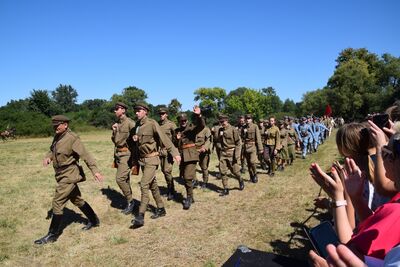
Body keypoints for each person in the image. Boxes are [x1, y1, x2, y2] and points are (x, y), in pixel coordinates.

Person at [34, 115, 104, 245]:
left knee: (57, 202)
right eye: (54, 126)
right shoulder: (58, 136)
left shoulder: (72, 138)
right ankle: (94, 221)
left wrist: (95, 171)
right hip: (60, 174)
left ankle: (52, 235)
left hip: (69, 174)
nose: (55, 127)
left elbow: (86, 156)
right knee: (76, 199)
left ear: (65, 125)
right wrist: (48, 157)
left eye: (57, 125)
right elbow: (52, 150)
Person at [130, 103, 181, 228]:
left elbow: (165, 139)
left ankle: (140, 216)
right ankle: (161, 208)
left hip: (152, 159)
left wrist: (175, 153)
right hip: (143, 161)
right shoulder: (137, 126)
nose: (136, 113)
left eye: (139, 110)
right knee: (153, 186)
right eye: (135, 111)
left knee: (144, 184)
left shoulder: (152, 123)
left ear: (145, 111)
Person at [174, 106, 205, 210]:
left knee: (188, 177)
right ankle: (191, 196)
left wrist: (198, 115)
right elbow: (175, 144)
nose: (183, 122)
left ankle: (188, 198)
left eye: (184, 120)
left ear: (187, 120)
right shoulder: (177, 131)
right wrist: (176, 138)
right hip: (182, 156)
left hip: (191, 155)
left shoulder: (191, 128)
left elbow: (201, 126)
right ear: (179, 121)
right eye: (181, 120)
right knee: (184, 177)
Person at [111, 102, 136, 215]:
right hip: (118, 154)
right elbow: (115, 141)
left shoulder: (130, 123)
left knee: (120, 179)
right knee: (125, 179)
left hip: (127, 154)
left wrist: (135, 158)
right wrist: (114, 131)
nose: (115, 111)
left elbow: (137, 140)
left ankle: (131, 202)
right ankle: (129, 201)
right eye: (115, 109)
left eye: (117, 109)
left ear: (123, 110)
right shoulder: (117, 124)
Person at [217, 114, 244, 196]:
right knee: (222, 171)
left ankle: (240, 179)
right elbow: (218, 140)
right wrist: (220, 147)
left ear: (227, 121)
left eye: (223, 121)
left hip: (232, 153)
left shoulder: (233, 129)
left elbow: (239, 143)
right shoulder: (220, 130)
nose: (222, 123)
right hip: (223, 153)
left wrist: (237, 155)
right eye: (221, 122)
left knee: (235, 171)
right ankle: (226, 188)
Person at [157, 107, 178, 200]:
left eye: (163, 113)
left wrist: (175, 150)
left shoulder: (171, 125)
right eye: (160, 114)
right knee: (164, 171)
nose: (161, 115)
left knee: (167, 171)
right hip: (161, 151)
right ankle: (169, 189)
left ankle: (172, 190)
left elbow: (178, 135)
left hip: (168, 151)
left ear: (167, 114)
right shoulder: (158, 125)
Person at [242, 114, 263, 183]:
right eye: (246, 119)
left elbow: (258, 138)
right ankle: (251, 176)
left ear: (251, 119)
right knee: (248, 163)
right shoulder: (244, 127)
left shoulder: (255, 126)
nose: (247, 120)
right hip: (246, 146)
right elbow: (242, 137)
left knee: (252, 162)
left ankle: (255, 174)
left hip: (253, 146)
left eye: (249, 119)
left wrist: (260, 148)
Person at [195, 123, 212, 189]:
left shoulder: (206, 130)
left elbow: (209, 140)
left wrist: (204, 147)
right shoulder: (195, 129)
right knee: (192, 166)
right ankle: (195, 181)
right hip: (195, 150)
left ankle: (205, 182)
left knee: (204, 167)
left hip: (203, 151)